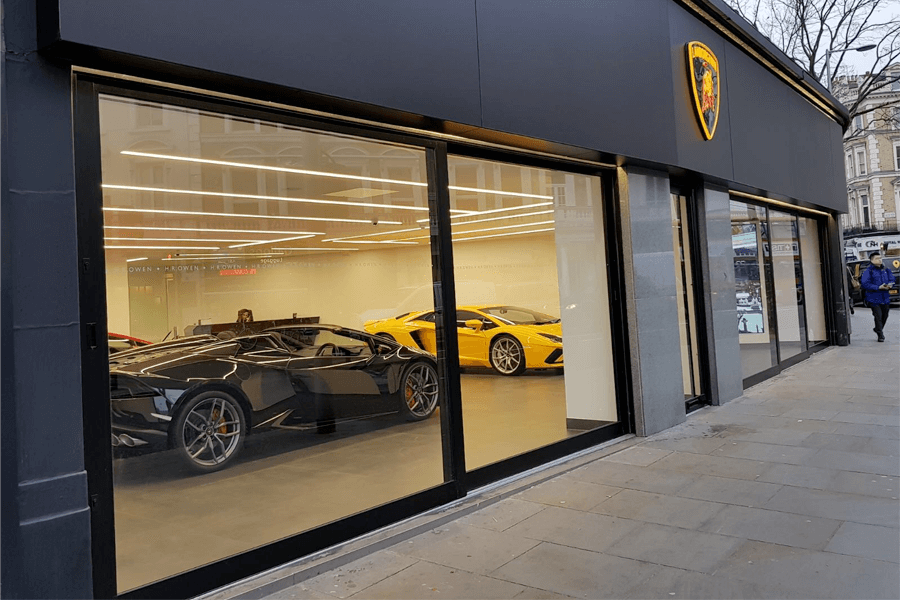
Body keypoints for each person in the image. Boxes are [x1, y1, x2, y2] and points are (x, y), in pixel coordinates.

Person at [860, 251, 896, 342]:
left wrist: (891, 284)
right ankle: (880, 334)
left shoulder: (886, 269)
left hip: (885, 297)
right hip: (873, 298)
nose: (879, 260)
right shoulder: (868, 271)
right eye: (877, 258)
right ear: (872, 260)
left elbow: (892, 279)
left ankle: (877, 329)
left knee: (885, 315)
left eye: (880, 258)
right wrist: (878, 287)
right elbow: (865, 284)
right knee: (878, 316)